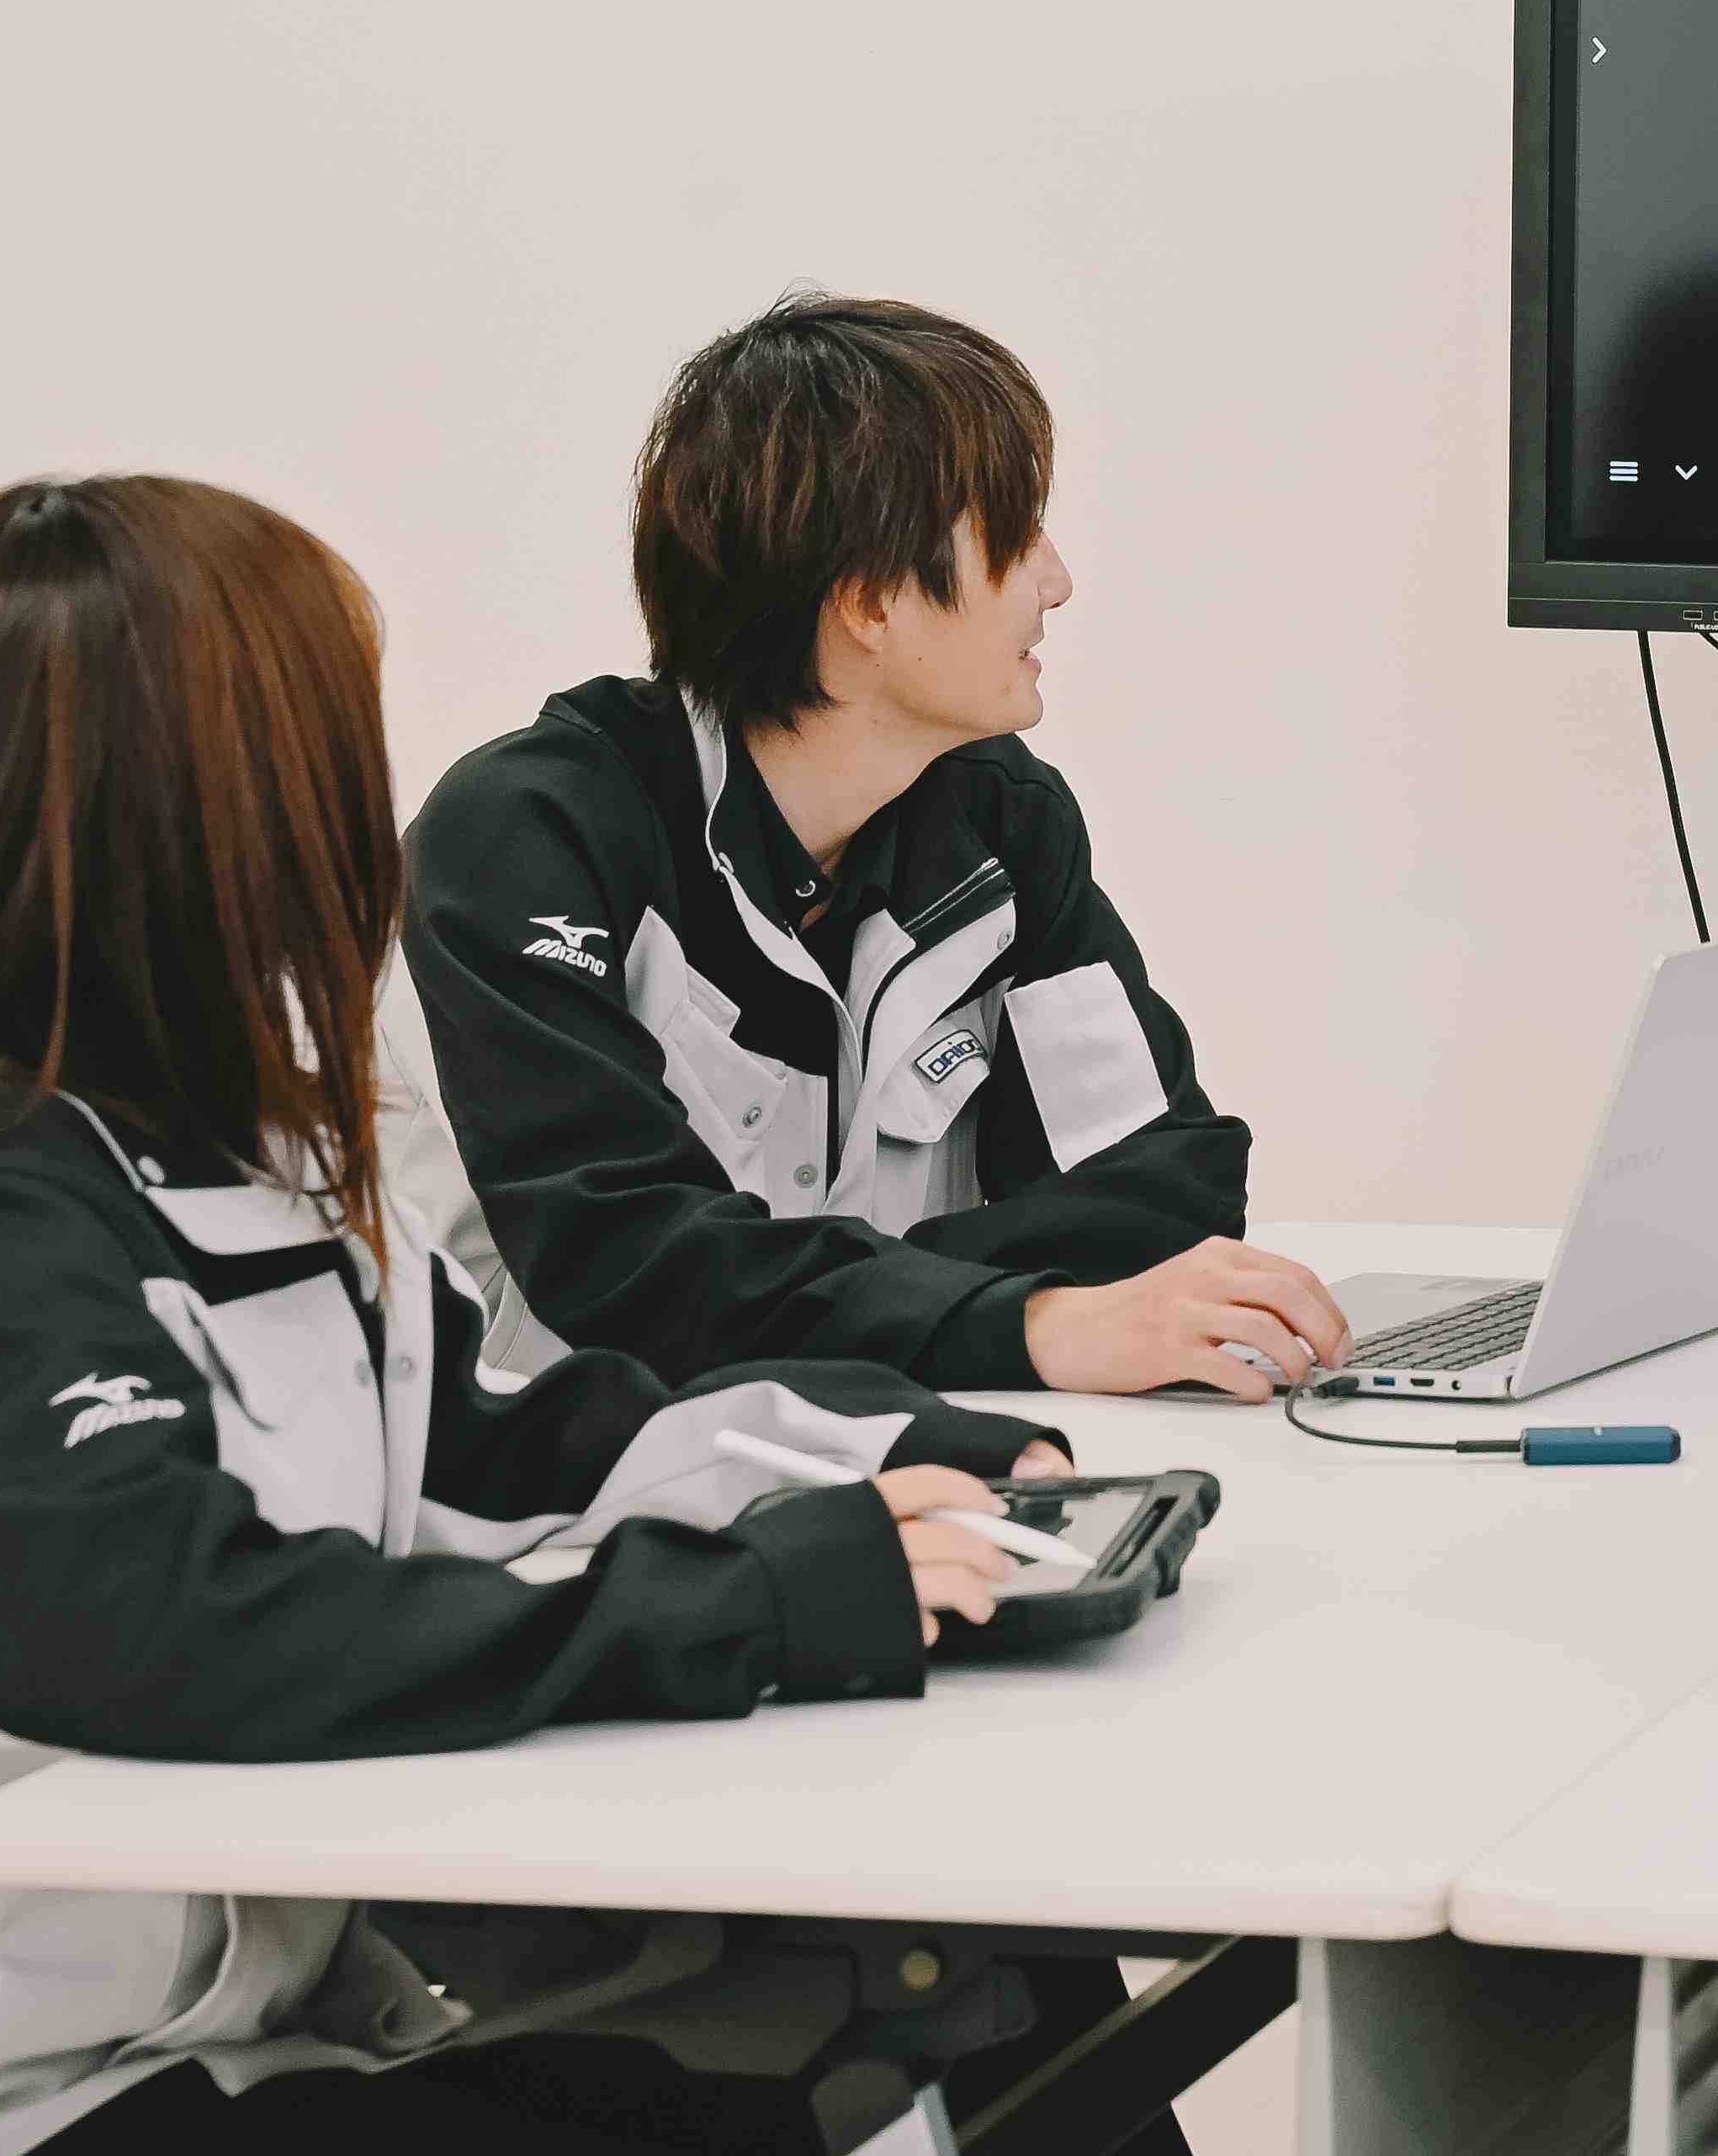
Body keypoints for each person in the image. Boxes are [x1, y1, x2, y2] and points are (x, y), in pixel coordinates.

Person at [0, 476, 1199, 2156]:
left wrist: (891, 1452)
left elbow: (507, 1436)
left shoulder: (225, 1136)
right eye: (330, 743)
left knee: (982, 2038)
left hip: (261, 2040)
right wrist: (761, 1602)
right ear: (216, 797)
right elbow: (192, 1632)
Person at [395, 293, 1347, 1396]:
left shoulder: (998, 824)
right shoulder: (527, 841)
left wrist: (873, 1301)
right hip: (557, 1484)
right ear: (870, 602)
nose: (1057, 582)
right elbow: (630, 1271)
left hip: (900, 1453)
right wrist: (1027, 1321)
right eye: (1017, 537)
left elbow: (1164, 1190)